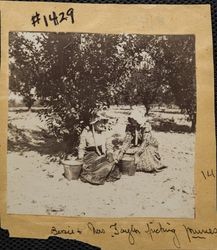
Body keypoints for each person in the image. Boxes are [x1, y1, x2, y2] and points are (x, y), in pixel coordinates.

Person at [78, 114, 121, 185]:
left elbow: (108, 145)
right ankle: (96, 175)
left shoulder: (104, 132)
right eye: (99, 122)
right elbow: (81, 147)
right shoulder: (87, 132)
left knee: (112, 164)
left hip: (101, 155)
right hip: (90, 157)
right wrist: (80, 159)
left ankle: (102, 174)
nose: (102, 124)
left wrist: (109, 153)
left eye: (103, 122)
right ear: (94, 122)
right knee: (96, 167)